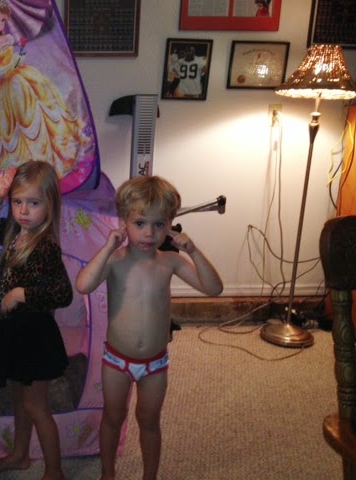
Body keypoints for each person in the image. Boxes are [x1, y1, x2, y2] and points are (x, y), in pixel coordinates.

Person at [76, 175, 223, 480]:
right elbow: (84, 285)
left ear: (169, 224)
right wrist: (108, 247)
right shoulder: (115, 261)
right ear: (123, 223)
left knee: (149, 420)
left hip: (155, 364)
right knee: (113, 417)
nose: (149, 233)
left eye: (159, 224)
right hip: (116, 361)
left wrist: (194, 251)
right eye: (140, 223)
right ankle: (107, 473)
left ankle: (149, 476)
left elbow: (214, 289)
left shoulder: (170, 261)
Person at [0, 161, 73, 479]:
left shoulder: (45, 246)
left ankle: (54, 471)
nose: (23, 210)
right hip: (13, 334)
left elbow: (62, 293)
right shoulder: (14, 233)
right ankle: (20, 455)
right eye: (17, 201)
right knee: (18, 400)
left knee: (36, 406)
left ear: (50, 205)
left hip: (35, 339)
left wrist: (21, 293)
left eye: (33, 203)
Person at [0, 0, 90, 183]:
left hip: (22, 75)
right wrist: (10, 65)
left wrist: (17, 60)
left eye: (3, 20)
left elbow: (14, 58)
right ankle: (25, 161)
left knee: (41, 107)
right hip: (9, 85)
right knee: (18, 122)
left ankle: (46, 155)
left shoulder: (6, 39)